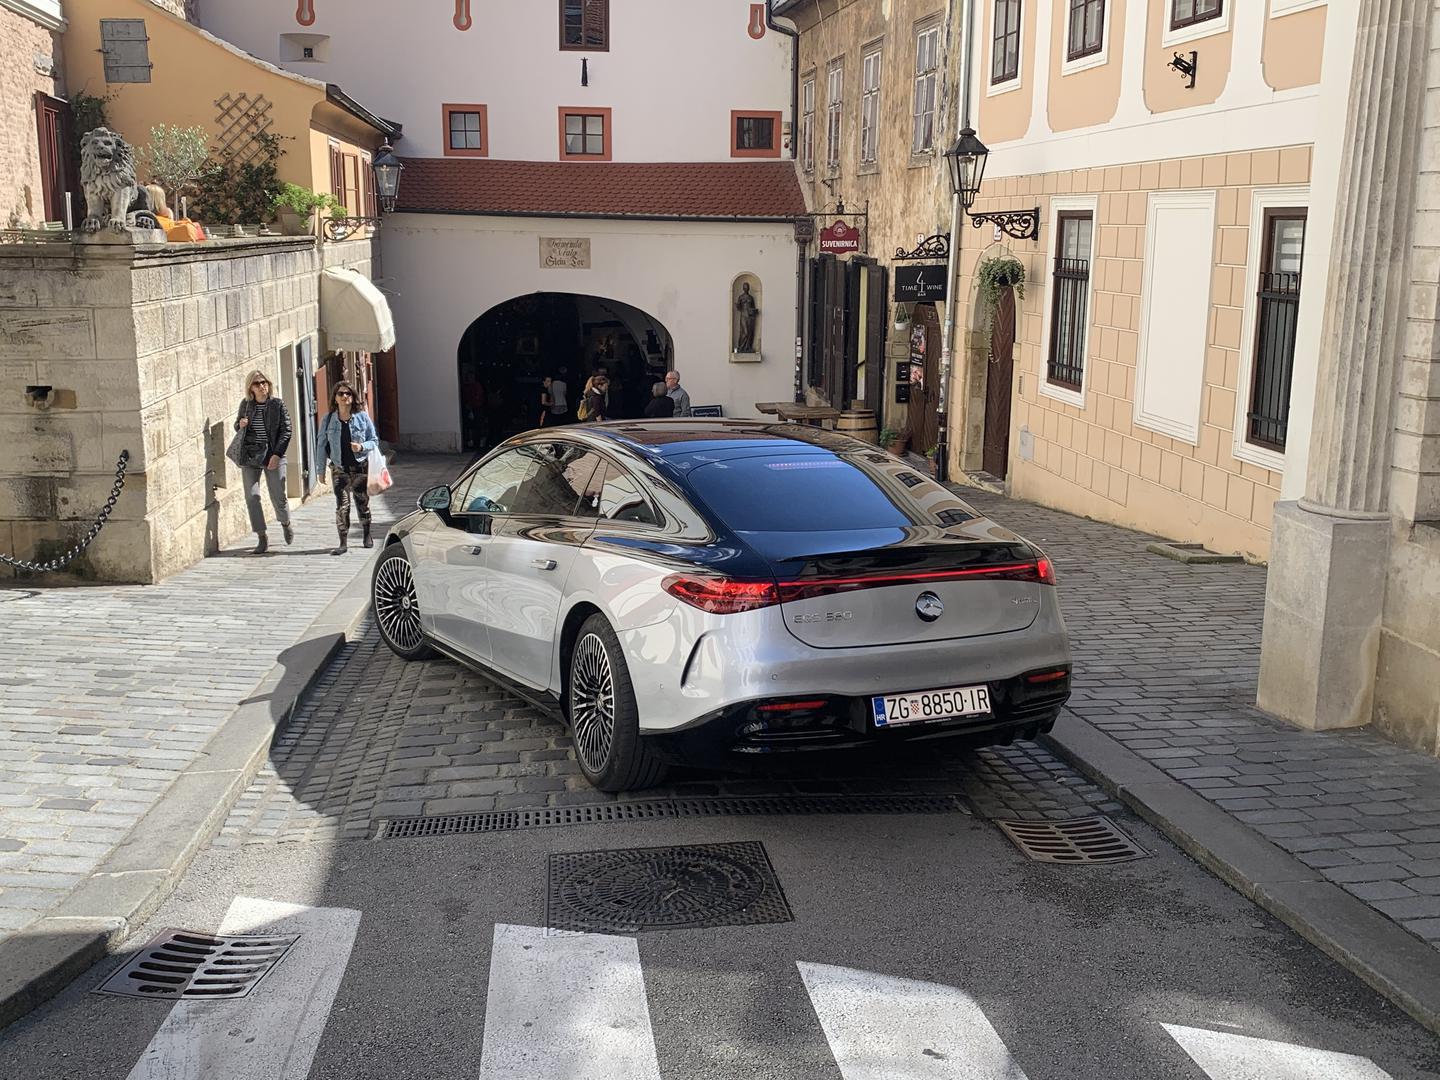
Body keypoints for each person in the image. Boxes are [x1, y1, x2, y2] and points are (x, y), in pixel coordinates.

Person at [234, 370, 293, 555]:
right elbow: (237, 425)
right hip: (251, 455)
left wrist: (277, 455)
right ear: (250, 388)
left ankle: (285, 522)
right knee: (252, 496)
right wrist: (240, 425)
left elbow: (286, 431)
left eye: (264, 382)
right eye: (257, 383)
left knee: (278, 494)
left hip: (273, 454)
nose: (262, 386)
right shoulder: (246, 405)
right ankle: (261, 536)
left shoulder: (277, 405)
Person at [318, 380, 379, 555]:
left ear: (353, 397)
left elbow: (374, 441)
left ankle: (366, 534)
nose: (345, 396)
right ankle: (343, 542)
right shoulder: (328, 419)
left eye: (348, 393)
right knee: (342, 506)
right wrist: (320, 470)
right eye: (341, 394)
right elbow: (321, 445)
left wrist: (361, 447)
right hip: (339, 469)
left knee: (362, 503)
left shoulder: (362, 417)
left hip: (359, 467)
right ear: (335, 398)